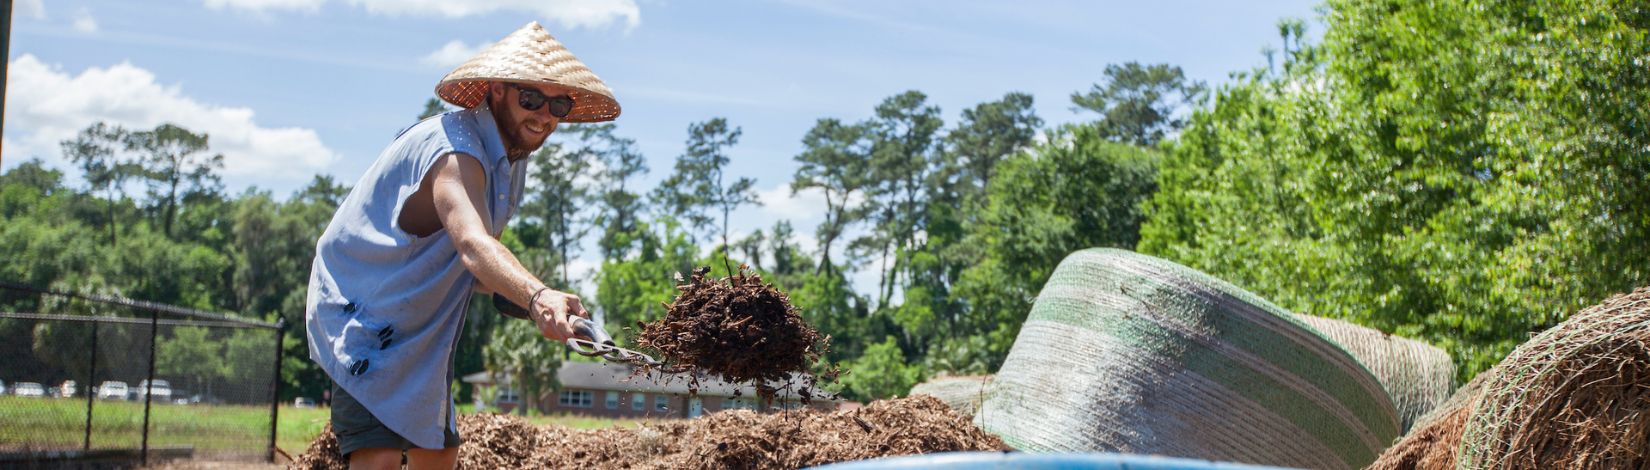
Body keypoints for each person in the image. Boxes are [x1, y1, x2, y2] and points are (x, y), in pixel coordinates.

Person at [305, 22, 621, 470]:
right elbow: (474, 245)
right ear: (495, 91)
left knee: (439, 452)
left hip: (420, 322)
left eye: (558, 103)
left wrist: (532, 303)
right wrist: (537, 295)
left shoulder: (509, 165)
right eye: (530, 98)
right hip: (364, 310)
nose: (544, 114)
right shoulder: (455, 152)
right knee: (376, 456)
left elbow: (474, 268)